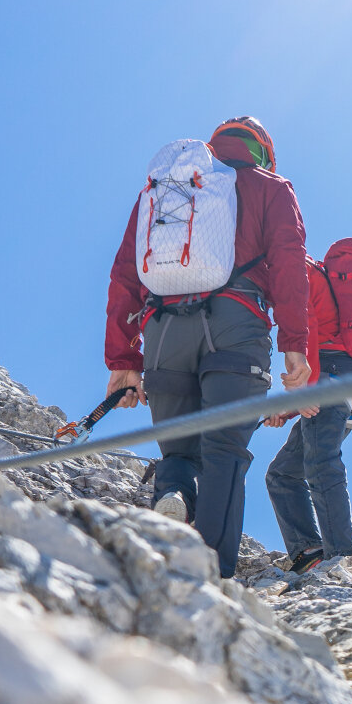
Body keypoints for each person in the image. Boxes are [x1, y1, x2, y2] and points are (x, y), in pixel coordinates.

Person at [102, 116, 310, 580]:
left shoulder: (164, 192)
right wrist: (295, 345)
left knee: (178, 451)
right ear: (262, 153)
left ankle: (173, 497)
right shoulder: (271, 187)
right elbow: (289, 263)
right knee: (225, 451)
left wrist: (123, 359)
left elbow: (124, 274)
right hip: (238, 324)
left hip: (163, 330)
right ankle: (209, 576)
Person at [263, 237, 352, 573]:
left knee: (320, 464)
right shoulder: (311, 270)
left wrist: (307, 392)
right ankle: (310, 553)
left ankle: (340, 561)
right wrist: (290, 408)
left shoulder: (296, 272)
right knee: (282, 475)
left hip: (331, 375)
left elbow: (308, 332)